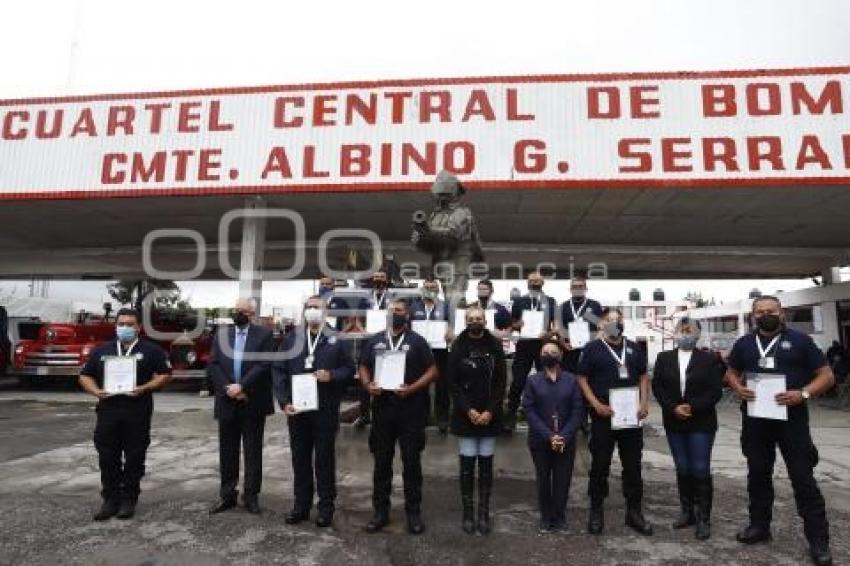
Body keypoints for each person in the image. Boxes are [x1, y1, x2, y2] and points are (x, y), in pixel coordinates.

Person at [725, 296, 834, 566]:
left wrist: (804, 394)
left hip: (792, 421)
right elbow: (730, 372)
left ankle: (818, 541)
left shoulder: (800, 341)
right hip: (756, 421)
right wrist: (737, 387)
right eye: (759, 312)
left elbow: (827, 376)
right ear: (753, 316)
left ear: (781, 313)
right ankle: (759, 526)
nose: (765, 315)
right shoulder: (744, 343)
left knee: (803, 479)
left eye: (770, 311)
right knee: (758, 476)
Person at [78, 308, 172, 520]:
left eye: (130, 324)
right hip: (108, 411)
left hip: (137, 411)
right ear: (116, 325)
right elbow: (84, 376)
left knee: (134, 457)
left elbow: (165, 375)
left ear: (138, 327)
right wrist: (95, 391)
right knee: (107, 456)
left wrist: (145, 387)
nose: (125, 328)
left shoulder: (151, 350)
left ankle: (129, 499)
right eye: (121, 324)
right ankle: (110, 499)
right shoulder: (102, 350)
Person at [272, 296, 355, 528]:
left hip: (325, 410)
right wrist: (283, 401)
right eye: (308, 307)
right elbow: (278, 370)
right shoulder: (292, 339)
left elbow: (350, 369)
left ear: (325, 311)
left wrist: (332, 375)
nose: (312, 310)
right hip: (297, 410)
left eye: (316, 307)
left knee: (324, 459)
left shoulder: (337, 339)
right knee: (299, 458)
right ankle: (301, 506)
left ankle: (326, 508)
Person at [359, 299, 438, 534]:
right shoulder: (375, 340)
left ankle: (413, 513)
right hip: (383, 410)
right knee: (381, 464)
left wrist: (412, 388)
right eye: (392, 310)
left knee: (411, 463)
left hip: (411, 410)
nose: (395, 313)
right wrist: (367, 384)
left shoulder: (418, 341)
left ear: (408, 315)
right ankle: (380, 512)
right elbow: (362, 365)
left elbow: (433, 371)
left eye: (400, 310)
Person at [576, 307, 653, 536]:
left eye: (618, 320)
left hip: (631, 418)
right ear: (601, 324)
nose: (615, 323)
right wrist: (595, 404)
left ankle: (634, 513)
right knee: (600, 466)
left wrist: (644, 402)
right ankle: (596, 511)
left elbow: (642, 376)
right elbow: (581, 378)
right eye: (609, 320)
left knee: (633, 466)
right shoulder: (591, 349)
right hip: (603, 416)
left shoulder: (634, 348)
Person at [652, 318, 725, 539]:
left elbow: (715, 391)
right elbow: (658, 387)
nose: (685, 334)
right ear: (675, 333)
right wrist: (673, 407)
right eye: (681, 330)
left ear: (697, 334)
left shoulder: (709, 359)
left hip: (700, 421)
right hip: (674, 420)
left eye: (689, 330)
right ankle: (687, 512)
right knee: (682, 467)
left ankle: (703, 517)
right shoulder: (664, 358)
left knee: (700, 468)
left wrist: (692, 406)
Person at [208, 298, 274, 515]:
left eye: (243, 311)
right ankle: (227, 495)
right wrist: (228, 388)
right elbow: (214, 364)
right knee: (227, 451)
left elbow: (264, 364)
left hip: (252, 401)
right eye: (236, 310)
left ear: (252, 314)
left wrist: (243, 386)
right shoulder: (222, 334)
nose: (238, 314)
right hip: (227, 400)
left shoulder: (264, 335)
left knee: (253, 451)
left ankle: (251, 496)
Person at [446, 306, 507, 535]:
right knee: (467, 467)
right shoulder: (457, 347)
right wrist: (468, 410)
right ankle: (468, 513)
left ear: (485, 320)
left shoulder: (495, 346)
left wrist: (490, 410)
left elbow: (501, 382)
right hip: (466, 416)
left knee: (486, 467)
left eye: (479, 318)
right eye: (471, 319)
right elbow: (452, 383)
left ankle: (483, 513)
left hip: (489, 416)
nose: (475, 322)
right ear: (465, 321)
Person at [522, 339, 584, 532]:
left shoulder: (571, 380)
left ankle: (559, 517)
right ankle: (545, 517)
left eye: (553, 351)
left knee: (562, 480)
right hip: (540, 440)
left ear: (561, 355)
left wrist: (563, 436)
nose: (549, 354)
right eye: (545, 351)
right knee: (543, 479)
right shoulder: (532, 380)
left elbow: (578, 410)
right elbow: (529, 411)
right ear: (540, 357)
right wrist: (549, 436)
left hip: (566, 439)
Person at [505, 272, 557, 432]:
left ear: (543, 283)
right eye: (532, 281)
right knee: (518, 382)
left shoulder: (550, 301)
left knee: (547, 381)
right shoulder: (519, 301)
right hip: (524, 346)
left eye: (537, 281)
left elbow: (556, 325)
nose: (534, 283)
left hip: (544, 346)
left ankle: (547, 416)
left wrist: (550, 333)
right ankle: (510, 416)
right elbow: (512, 323)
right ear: (527, 283)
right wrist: (516, 325)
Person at [410, 276, 452, 433]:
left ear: (438, 289)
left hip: (440, 351)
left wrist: (450, 331)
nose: (430, 290)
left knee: (442, 386)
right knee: (421, 385)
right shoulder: (414, 306)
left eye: (433, 287)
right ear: (423, 289)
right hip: (419, 353)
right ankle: (423, 417)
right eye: (427, 287)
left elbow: (453, 325)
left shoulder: (446, 306)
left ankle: (442, 418)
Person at [559, 275, 604, 373]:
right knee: (570, 381)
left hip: (590, 351)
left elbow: (602, 327)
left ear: (586, 289)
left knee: (590, 378)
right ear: (570, 289)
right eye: (575, 287)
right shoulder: (563, 306)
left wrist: (594, 343)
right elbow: (560, 328)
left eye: (581, 286)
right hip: (570, 351)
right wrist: (563, 342)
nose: (578, 289)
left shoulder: (594, 305)